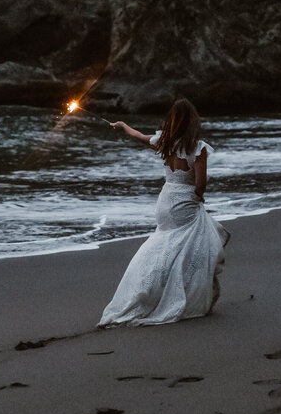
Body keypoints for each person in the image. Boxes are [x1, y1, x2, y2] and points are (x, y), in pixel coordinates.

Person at [98, 98, 231, 327]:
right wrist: (199, 198)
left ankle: (145, 290)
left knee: (164, 244)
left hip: (165, 200)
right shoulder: (197, 149)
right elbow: (200, 185)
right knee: (191, 249)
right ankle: (180, 294)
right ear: (192, 121)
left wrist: (122, 125)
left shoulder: (164, 142)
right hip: (185, 202)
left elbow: (138, 136)